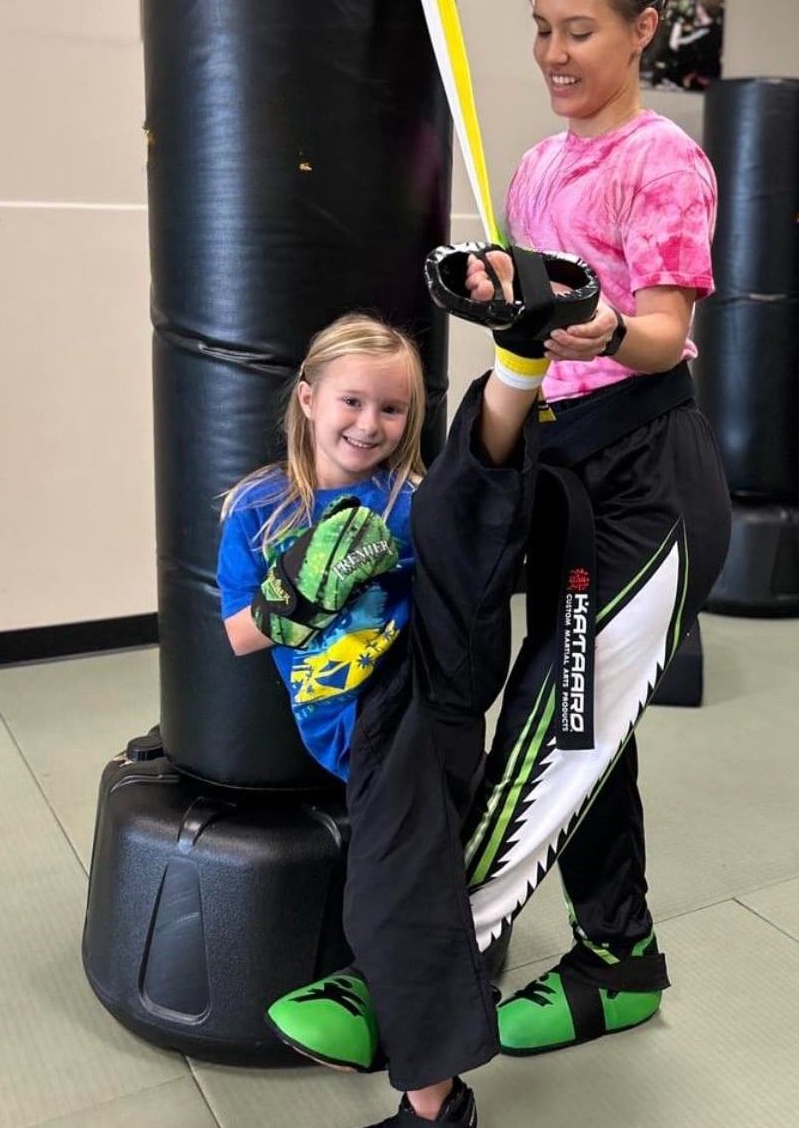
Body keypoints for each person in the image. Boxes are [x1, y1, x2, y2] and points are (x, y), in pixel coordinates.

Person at [268, 0, 731, 1082]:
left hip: (641, 492)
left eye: (579, 30)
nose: (553, 52)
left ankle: (402, 971)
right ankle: (617, 955)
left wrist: (600, 323)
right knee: (591, 736)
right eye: (539, 28)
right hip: (551, 475)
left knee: (546, 737)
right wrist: (494, 289)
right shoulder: (534, 165)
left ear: (640, 31)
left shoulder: (662, 161)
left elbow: (663, 334)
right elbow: (532, 321)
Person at [219, 309, 568, 1125]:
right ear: (307, 399)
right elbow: (236, 633)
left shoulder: (411, 502)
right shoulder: (258, 508)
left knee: (387, 902)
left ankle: (435, 1108)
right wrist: (297, 589)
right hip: (345, 732)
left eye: (393, 409)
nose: (369, 424)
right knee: (394, 894)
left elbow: (458, 581)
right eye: (351, 401)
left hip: (412, 700)